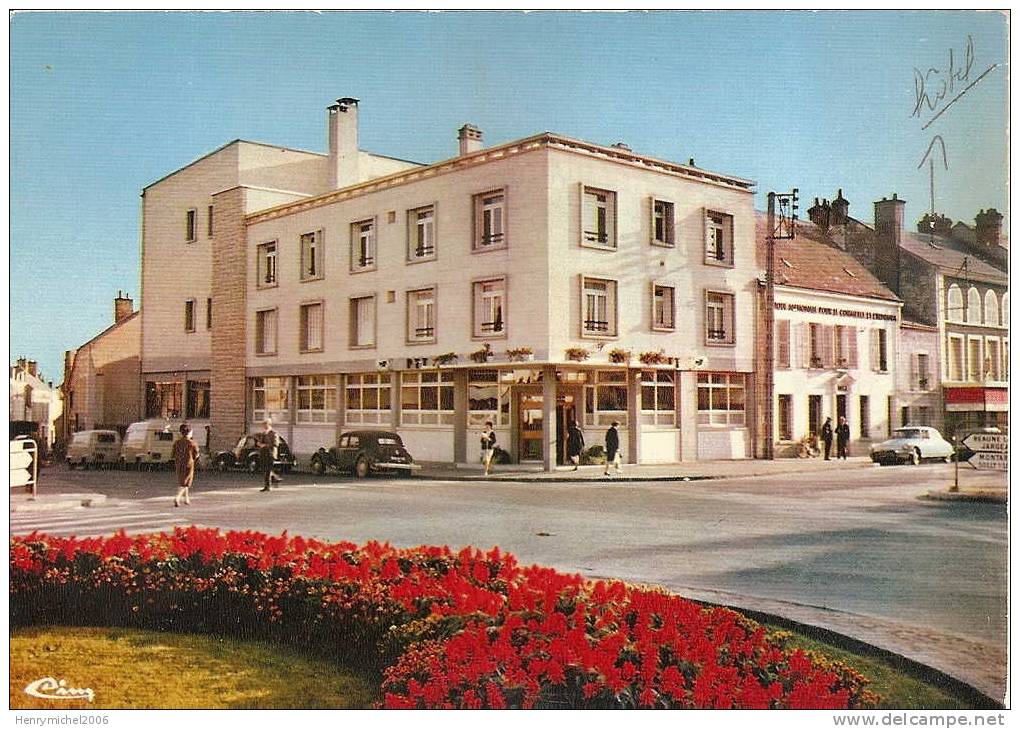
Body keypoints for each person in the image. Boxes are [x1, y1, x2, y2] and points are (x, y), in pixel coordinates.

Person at [172, 423, 199, 507]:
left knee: (182, 481)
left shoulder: (177, 442)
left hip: (178, 463)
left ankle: (186, 499)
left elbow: (173, 454)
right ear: (189, 432)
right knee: (186, 483)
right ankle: (178, 497)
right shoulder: (192, 443)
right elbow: (196, 454)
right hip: (188, 464)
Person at [258, 419, 282, 492]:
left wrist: (265, 445)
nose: (264, 426)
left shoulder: (274, 433)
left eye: (265, 424)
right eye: (263, 425)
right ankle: (276, 478)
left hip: (270, 454)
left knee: (268, 470)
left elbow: (276, 444)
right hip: (263, 453)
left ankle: (267, 486)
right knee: (264, 469)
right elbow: (261, 442)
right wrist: (259, 444)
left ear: (269, 424)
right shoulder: (263, 433)